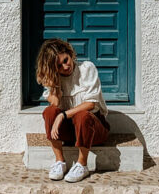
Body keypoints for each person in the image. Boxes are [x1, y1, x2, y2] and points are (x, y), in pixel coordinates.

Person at [36, 38, 110, 183]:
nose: (65, 66)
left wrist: (63, 115)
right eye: (58, 66)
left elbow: (90, 104)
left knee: (82, 115)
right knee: (50, 112)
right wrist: (55, 83)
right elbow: (56, 103)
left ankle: (82, 164)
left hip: (94, 129)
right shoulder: (55, 78)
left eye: (65, 60)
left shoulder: (86, 68)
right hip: (71, 131)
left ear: (69, 53)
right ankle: (60, 162)